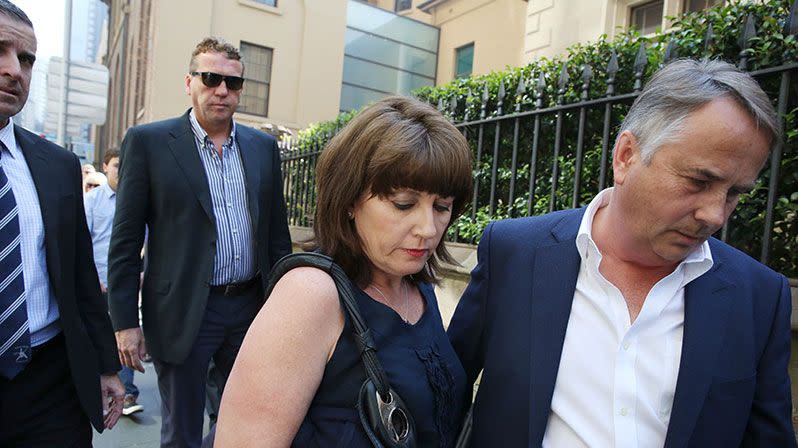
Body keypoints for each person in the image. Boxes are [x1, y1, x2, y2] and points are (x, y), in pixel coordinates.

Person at [448, 58, 796, 447]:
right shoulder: (514, 255)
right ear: (626, 156)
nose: (715, 215)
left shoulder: (760, 297)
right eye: (699, 181)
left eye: (734, 193)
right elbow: (444, 395)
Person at [213, 96, 474, 447]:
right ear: (350, 200)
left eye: (442, 206)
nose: (428, 228)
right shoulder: (311, 294)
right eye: (404, 204)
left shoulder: (417, 287)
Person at [108, 36, 292, 447]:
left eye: (233, 83)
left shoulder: (263, 148)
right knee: (182, 430)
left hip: (249, 307)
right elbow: (124, 242)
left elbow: (276, 237)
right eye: (210, 79)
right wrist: (124, 323)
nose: (222, 91)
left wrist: (282, 305)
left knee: (248, 418)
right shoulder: (149, 143)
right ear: (189, 82)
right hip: (184, 308)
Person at [0, 1, 125, 446]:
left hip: (52, 384)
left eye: (27, 58)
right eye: (1, 50)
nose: (15, 70)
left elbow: (80, 277)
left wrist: (107, 366)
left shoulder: (57, 166)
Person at [85, 149, 143, 416]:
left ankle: (128, 393)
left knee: (127, 331)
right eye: (117, 165)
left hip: (127, 282)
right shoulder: (93, 201)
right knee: (102, 335)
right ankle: (100, 385)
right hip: (98, 280)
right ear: (105, 167)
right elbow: (82, 240)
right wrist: (91, 277)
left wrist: (144, 271)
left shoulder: (139, 199)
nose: (122, 170)